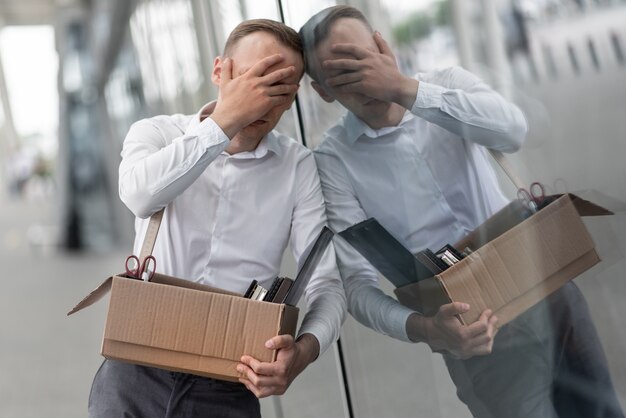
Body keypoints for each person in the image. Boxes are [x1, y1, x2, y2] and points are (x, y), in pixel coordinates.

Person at [300, 6, 623, 418]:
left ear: (385, 47)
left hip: (548, 285)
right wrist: (427, 329)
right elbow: (358, 287)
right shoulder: (334, 161)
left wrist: (405, 89)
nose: (364, 84)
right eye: (343, 77)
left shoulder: (446, 85)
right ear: (322, 90)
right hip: (474, 332)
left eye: (365, 61)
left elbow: (514, 131)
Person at [88, 19, 346, 417]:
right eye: (252, 79)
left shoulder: (297, 166)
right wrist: (224, 123)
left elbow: (326, 282)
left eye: (279, 87)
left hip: (230, 384)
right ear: (219, 72)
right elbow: (139, 196)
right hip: (134, 369)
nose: (263, 98)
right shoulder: (157, 134)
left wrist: (303, 353)